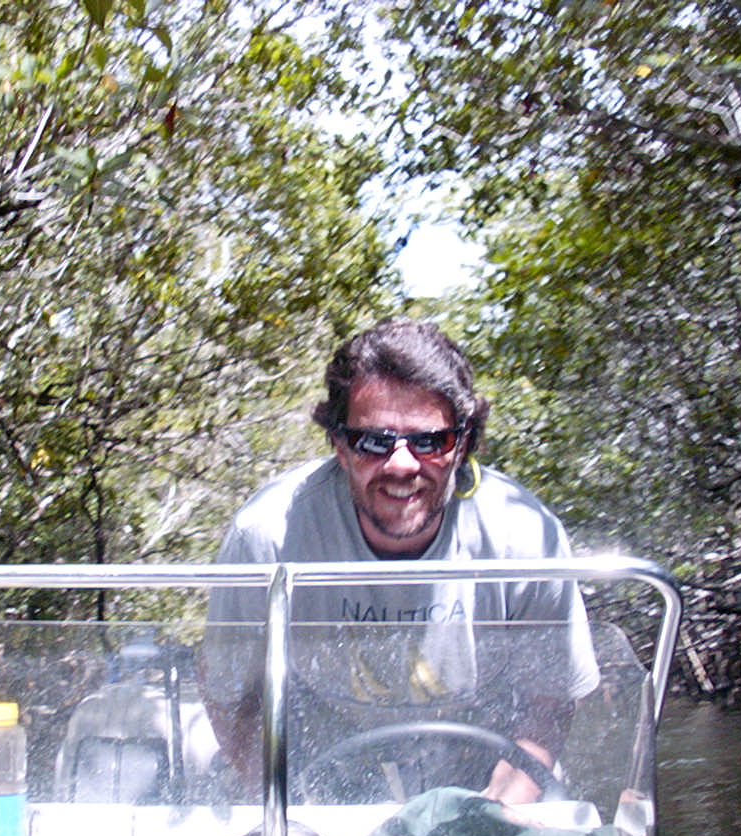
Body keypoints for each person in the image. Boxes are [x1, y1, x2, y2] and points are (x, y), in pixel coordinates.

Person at [202, 318, 598, 804]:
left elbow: (550, 698)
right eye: (374, 441)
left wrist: (502, 809)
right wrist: (285, 810)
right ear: (340, 446)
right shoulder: (266, 539)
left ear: (464, 442)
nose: (402, 464)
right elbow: (230, 697)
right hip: (318, 778)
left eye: (431, 441)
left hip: (482, 772)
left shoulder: (525, 537)